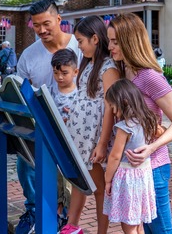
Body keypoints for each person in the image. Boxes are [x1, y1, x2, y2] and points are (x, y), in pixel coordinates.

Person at [107, 13, 172, 234]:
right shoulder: (124, 73)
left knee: (160, 230)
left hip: (154, 166)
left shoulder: (150, 77)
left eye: (115, 41)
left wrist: (151, 148)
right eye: (109, 41)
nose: (110, 47)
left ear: (129, 41)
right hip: (133, 170)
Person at [15, 0, 82, 234]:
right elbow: (19, 91)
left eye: (46, 23)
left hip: (74, 123)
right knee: (26, 166)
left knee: (70, 176)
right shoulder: (29, 56)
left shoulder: (80, 47)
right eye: (36, 25)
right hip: (39, 124)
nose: (41, 30)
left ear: (59, 20)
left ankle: (65, 217)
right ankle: (34, 209)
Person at [61, 15, 119, 234]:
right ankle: (72, 225)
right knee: (80, 181)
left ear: (95, 39)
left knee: (99, 189)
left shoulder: (108, 68)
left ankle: (101, 232)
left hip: (93, 139)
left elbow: (109, 109)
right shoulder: (89, 64)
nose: (78, 45)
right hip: (81, 137)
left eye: (81, 40)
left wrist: (102, 144)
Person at [103, 78, 158, 234]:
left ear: (124, 102)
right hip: (143, 176)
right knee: (138, 223)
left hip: (128, 179)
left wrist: (108, 180)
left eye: (114, 106)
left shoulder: (124, 128)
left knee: (128, 224)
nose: (113, 111)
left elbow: (114, 156)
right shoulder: (148, 121)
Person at [50, 48, 79, 229]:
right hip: (54, 145)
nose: (60, 77)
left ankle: (69, 218)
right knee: (55, 181)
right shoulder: (51, 91)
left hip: (71, 147)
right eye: (56, 73)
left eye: (64, 73)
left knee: (69, 183)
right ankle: (57, 211)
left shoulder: (79, 95)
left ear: (75, 72)